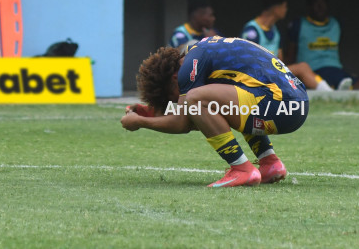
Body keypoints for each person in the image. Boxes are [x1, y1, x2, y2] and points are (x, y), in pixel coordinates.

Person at [121, 36, 308, 187]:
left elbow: (183, 121)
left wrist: (140, 122)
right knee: (226, 98)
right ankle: (269, 163)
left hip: (278, 105)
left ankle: (241, 168)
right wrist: (152, 111)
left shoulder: (187, 70)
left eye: (173, 98)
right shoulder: (204, 52)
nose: (177, 103)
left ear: (174, 78)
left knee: (195, 98)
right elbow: (208, 115)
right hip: (296, 105)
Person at [242, 0, 333, 91]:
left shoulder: (275, 31)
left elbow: (280, 62)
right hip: (257, 78)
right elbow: (246, 62)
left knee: (299, 75)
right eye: (285, 6)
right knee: (302, 68)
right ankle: (329, 93)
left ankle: (319, 92)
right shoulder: (252, 30)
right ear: (276, 9)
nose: (286, 10)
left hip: (274, 76)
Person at [285, 0, 355, 90]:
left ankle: (338, 88)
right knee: (305, 69)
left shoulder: (336, 23)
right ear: (309, 6)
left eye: (323, 3)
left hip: (337, 70)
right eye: (316, 3)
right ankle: (333, 91)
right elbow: (290, 55)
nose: (320, 7)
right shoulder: (299, 24)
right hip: (312, 71)